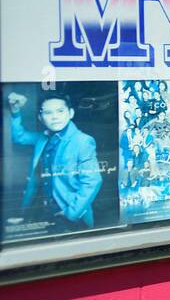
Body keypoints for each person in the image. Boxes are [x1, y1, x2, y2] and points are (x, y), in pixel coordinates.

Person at [6, 91, 103, 235]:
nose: (55, 116)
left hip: (69, 214)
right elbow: (18, 137)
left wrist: (71, 213)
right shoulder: (42, 138)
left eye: (60, 111)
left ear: (71, 113)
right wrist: (15, 112)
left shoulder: (82, 141)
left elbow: (92, 181)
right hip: (41, 211)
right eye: (48, 112)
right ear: (40, 117)